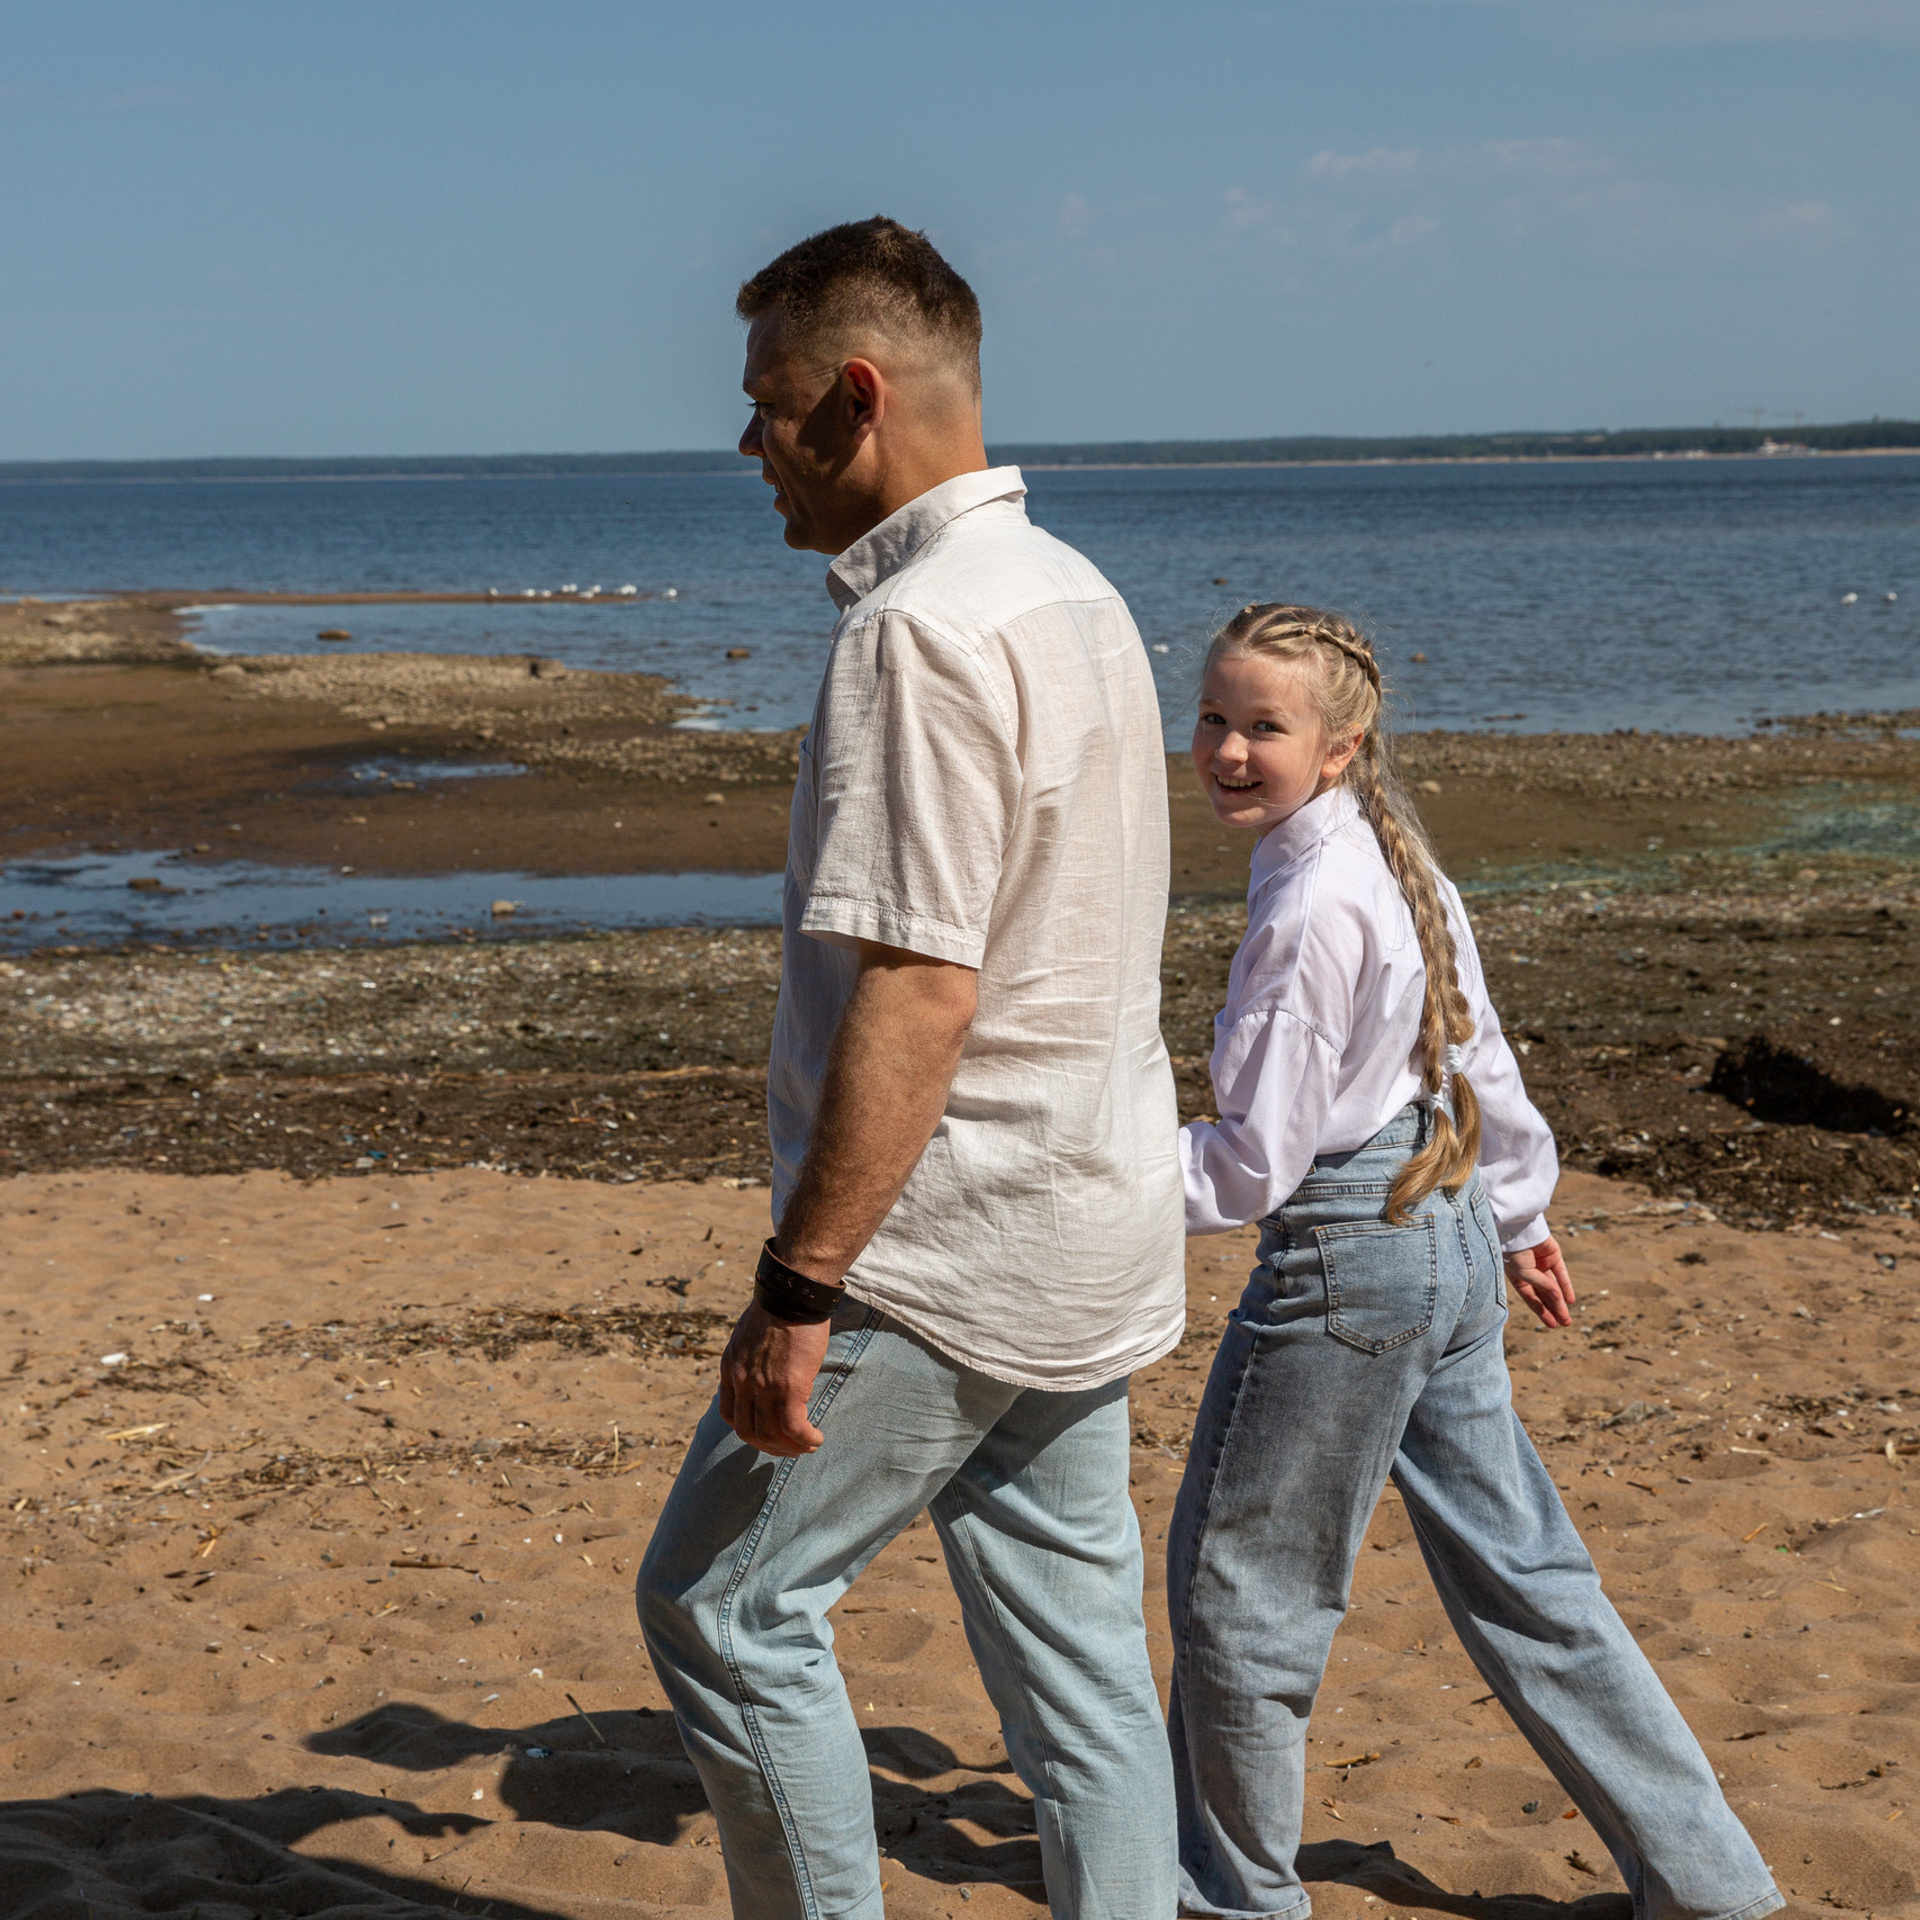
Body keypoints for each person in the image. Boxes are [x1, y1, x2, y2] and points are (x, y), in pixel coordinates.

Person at [635, 217, 1184, 1920]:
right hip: (1092, 1219)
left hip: (946, 1251)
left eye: (767, 402)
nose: (748, 442)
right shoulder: (1070, 587)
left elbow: (921, 989)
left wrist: (798, 1285)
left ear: (853, 397)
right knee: (1082, 1670)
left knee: (723, 1611)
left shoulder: (921, 631)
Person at [1166, 604, 1783, 1920]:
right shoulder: (1394, 859)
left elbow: (1250, 1166)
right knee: (1534, 1580)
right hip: (1441, 1239)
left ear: (1340, 744)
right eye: (1213, 717)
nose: (1224, 749)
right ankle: (1713, 1887)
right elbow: (1474, 1041)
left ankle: (1232, 1903)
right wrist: (1518, 1212)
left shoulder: (1305, 912)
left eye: (1261, 726)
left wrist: (1088, 1188)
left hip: (1348, 1263)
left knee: (1244, 1597)